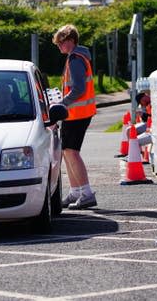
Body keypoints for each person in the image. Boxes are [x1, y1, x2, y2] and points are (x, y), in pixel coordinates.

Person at [53, 24, 98, 209]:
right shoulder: (76, 57)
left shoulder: (75, 60)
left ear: (70, 41)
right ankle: (75, 192)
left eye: (61, 43)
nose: (59, 47)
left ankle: (86, 193)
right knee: (66, 151)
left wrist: (61, 103)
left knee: (71, 152)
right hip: (76, 113)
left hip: (77, 114)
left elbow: (79, 89)